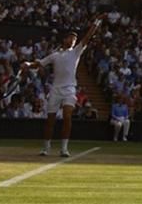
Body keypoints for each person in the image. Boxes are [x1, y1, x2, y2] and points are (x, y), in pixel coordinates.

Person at [22, 18, 101, 157]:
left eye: (75, 39)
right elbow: (39, 64)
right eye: (70, 38)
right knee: (50, 120)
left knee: (67, 116)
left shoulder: (76, 52)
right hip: (55, 90)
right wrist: (28, 64)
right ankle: (46, 147)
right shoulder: (55, 55)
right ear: (64, 40)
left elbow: (88, 36)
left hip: (69, 89)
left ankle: (64, 148)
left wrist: (97, 22)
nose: (73, 40)